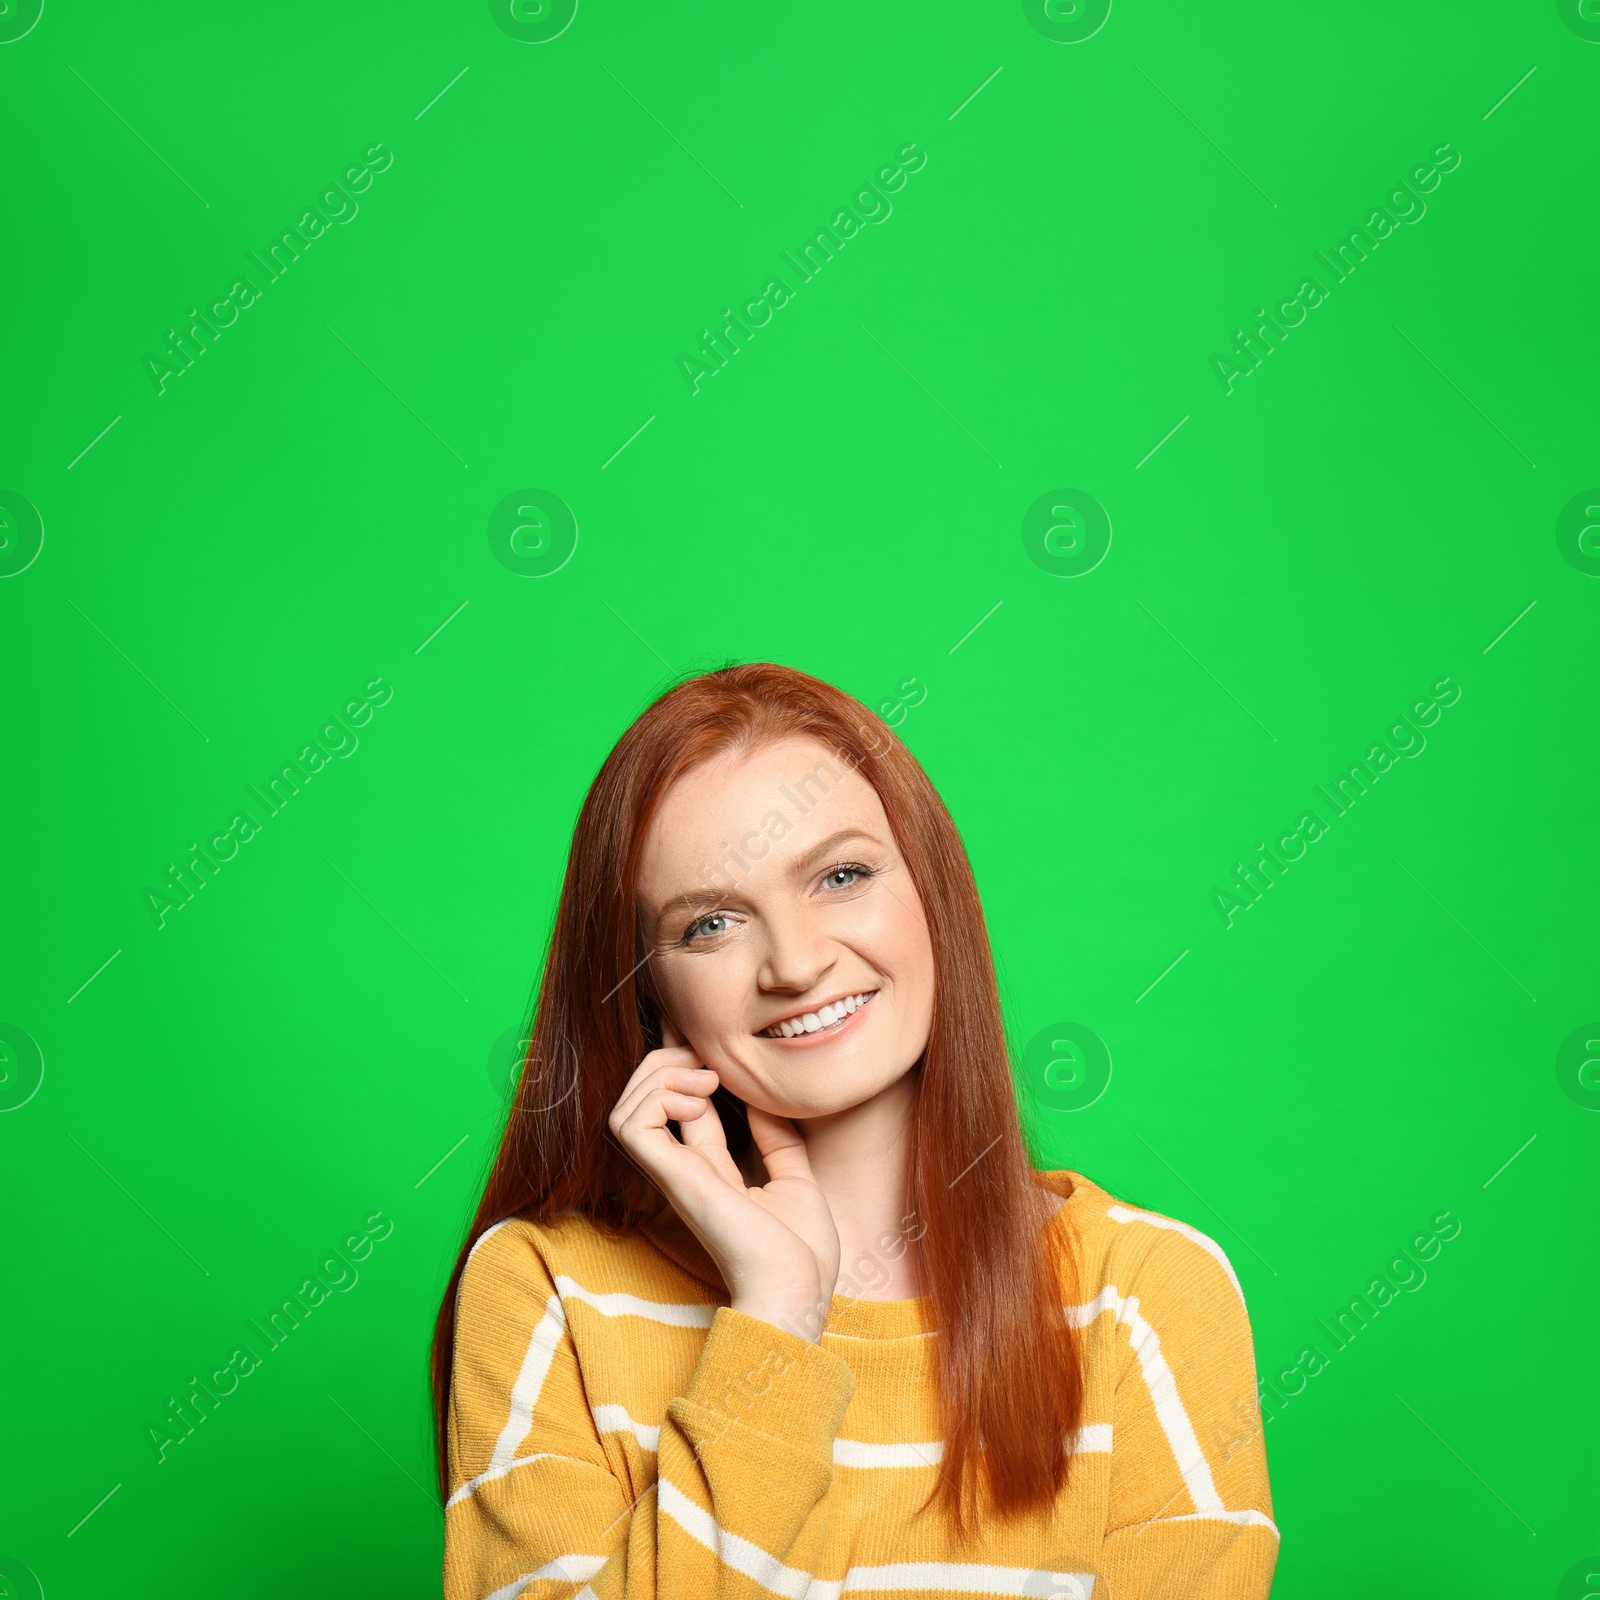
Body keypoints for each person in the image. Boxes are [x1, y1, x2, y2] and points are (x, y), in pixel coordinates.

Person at [433, 663, 1277, 1599]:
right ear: (645, 988)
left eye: (841, 875)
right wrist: (776, 1316)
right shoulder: (544, 1290)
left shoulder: (1146, 1297)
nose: (794, 963)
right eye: (710, 924)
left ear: (932, 894)